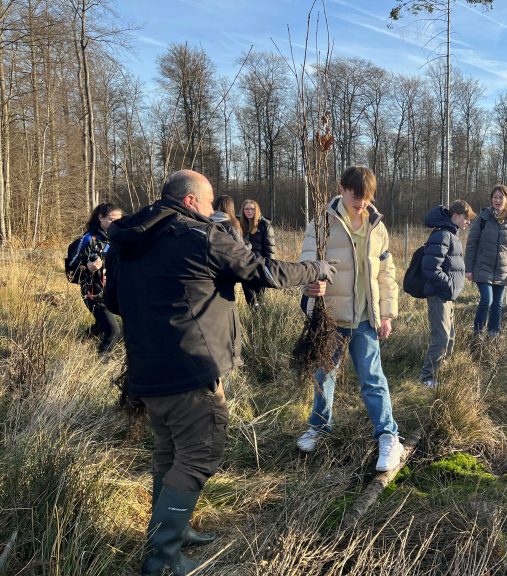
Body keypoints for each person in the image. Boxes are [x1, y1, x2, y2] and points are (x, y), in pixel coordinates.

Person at [104, 169, 335, 576]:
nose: (213, 210)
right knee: (199, 455)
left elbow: (114, 300)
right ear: (191, 201)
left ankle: (175, 530)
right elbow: (266, 272)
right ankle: (162, 556)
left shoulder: (127, 240)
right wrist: (315, 269)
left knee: (168, 453)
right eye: (209, 202)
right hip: (193, 370)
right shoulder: (200, 237)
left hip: (145, 370)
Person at [297, 165, 403, 472]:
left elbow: (386, 273)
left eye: (367, 198)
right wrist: (311, 282)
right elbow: (306, 264)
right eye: (356, 196)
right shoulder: (321, 224)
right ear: (342, 188)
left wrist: (386, 314)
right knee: (323, 376)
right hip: (332, 318)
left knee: (373, 379)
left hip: (367, 320)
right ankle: (319, 426)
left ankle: (388, 435)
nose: (361, 204)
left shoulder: (377, 225)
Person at [419, 199, 475, 388]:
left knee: (450, 336)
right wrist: (449, 286)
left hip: (447, 296)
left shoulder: (451, 234)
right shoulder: (443, 234)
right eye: (466, 218)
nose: (468, 222)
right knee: (441, 337)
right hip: (439, 295)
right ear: (456, 216)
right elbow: (430, 267)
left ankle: (442, 373)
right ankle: (428, 377)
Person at [464, 184, 507, 337]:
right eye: (495, 197)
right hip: (483, 269)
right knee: (487, 301)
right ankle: (477, 334)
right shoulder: (482, 219)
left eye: (501, 197)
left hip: (502, 271)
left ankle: (493, 336)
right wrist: (468, 269)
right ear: (491, 200)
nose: (497, 200)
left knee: (498, 305)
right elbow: (471, 244)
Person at [68, 202, 122, 356]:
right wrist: (87, 266)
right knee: (113, 330)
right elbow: (71, 269)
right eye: (112, 220)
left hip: (110, 292)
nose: (116, 223)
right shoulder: (88, 239)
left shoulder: (116, 238)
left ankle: (79, 342)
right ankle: (102, 361)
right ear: (101, 218)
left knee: (101, 324)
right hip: (92, 292)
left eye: (119, 219)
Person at [240, 199, 275, 308]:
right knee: (249, 296)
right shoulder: (241, 225)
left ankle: (261, 317)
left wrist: (269, 267)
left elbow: (270, 249)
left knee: (260, 297)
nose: (249, 211)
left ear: (257, 210)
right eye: (246, 209)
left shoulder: (265, 226)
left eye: (252, 209)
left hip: (260, 266)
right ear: (243, 211)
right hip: (245, 266)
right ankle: (253, 318)